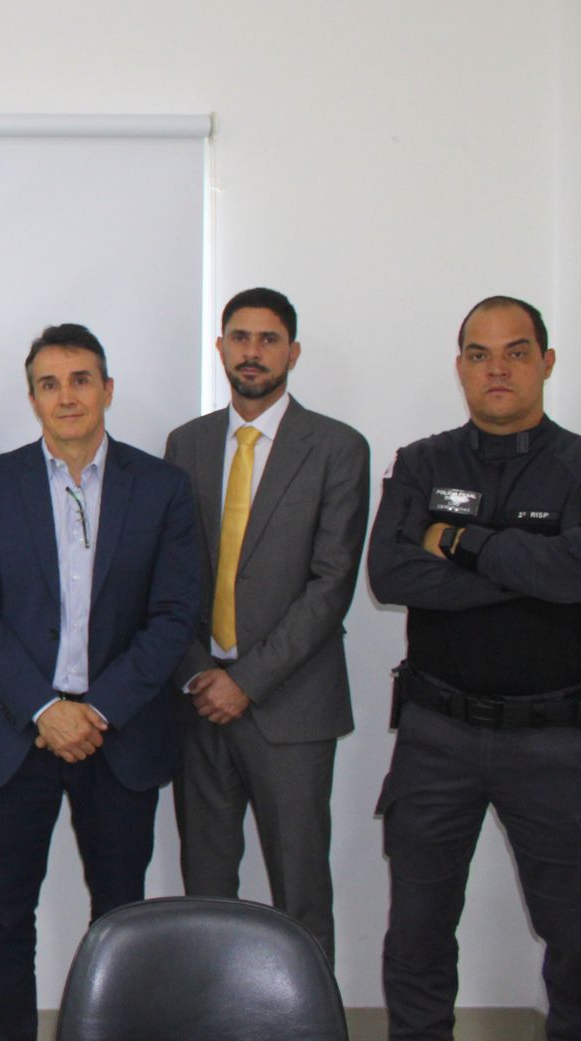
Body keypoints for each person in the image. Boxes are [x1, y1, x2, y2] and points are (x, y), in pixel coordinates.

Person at [368, 295, 581, 1041]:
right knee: (417, 939)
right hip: (436, 736)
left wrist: (463, 543)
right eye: (479, 355)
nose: (497, 369)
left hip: (554, 741)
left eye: (516, 352)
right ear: (460, 367)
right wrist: (533, 573)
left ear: (546, 362)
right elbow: (392, 574)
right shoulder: (423, 463)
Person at [0, 323, 200, 1041]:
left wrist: (98, 710)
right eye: (50, 384)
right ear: (32, 398)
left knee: (120, 919)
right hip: (14, 733)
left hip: (120, 735)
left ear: (107, 390)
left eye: (81, 380)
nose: (67, 397)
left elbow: (174, 614)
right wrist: (43, 708)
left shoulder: (162, 488)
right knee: (6, 914)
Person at [164, 287, 369, 966]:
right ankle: (208, 1019)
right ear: (220, 348)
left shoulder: (337, 448)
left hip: (292, 706)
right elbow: (170, 576)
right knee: (205, 894)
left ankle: (311, 1028)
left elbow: (331, 585)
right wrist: (200, 672)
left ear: (293, 352)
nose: (252, 352)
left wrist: (245, 681)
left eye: (269, 339)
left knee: (301, 894)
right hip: (200, 702)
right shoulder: (187, 443)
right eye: (240, 338)